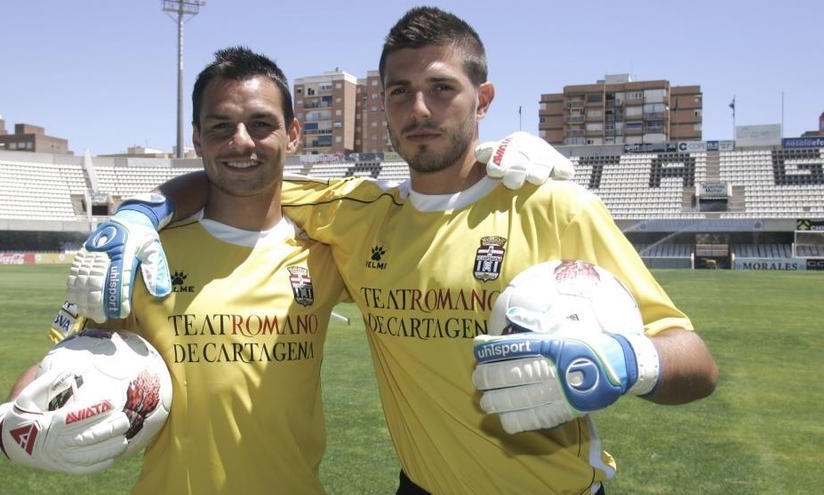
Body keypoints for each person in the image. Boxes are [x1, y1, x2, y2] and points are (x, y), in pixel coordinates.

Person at [68, 7, 718, 495]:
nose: (420, 108)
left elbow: (695, 361)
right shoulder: (358, 217)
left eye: (442, 88)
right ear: (383, 106)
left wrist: (624, 360)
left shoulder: (554, 205)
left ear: (482, 99)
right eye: (401, 92)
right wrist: (141, 209)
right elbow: (239, 174)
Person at [0, 47, 346, 494]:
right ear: (197, 139)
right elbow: (58, 361)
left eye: (261, 124)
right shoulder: (141, 254)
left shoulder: (326, 251)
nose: (241, 141)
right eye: (221, 126)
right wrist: (14, 422)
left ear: (293, 134)